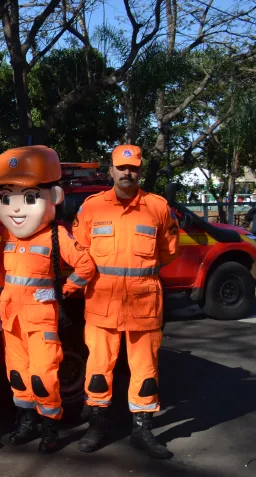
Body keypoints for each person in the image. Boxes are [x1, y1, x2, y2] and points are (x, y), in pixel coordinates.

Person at [73, 144, 179, 459]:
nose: (127, 172)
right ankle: (97, 425)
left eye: (133, 168)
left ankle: (142, 430)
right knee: (98, 369)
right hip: (102, 303)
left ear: (140, 171)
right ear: (112, 170)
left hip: (143, 303)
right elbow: (80, 250)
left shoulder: (158, 207)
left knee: (145, 369)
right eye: (121, 167)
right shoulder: (92, 208)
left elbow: (169, 252)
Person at [0, 146, 96, 453]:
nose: (16, 208)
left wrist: (62, 291)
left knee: (43, 377)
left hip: (40, 319)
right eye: (7, 198)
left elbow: (86, 266)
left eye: (30, 197)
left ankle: (51, 427)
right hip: (12, 321)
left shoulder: (57, 235)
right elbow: (0, 280)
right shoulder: (7, 239)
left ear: (54, 198)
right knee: (18, 376)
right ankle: (26, 423)